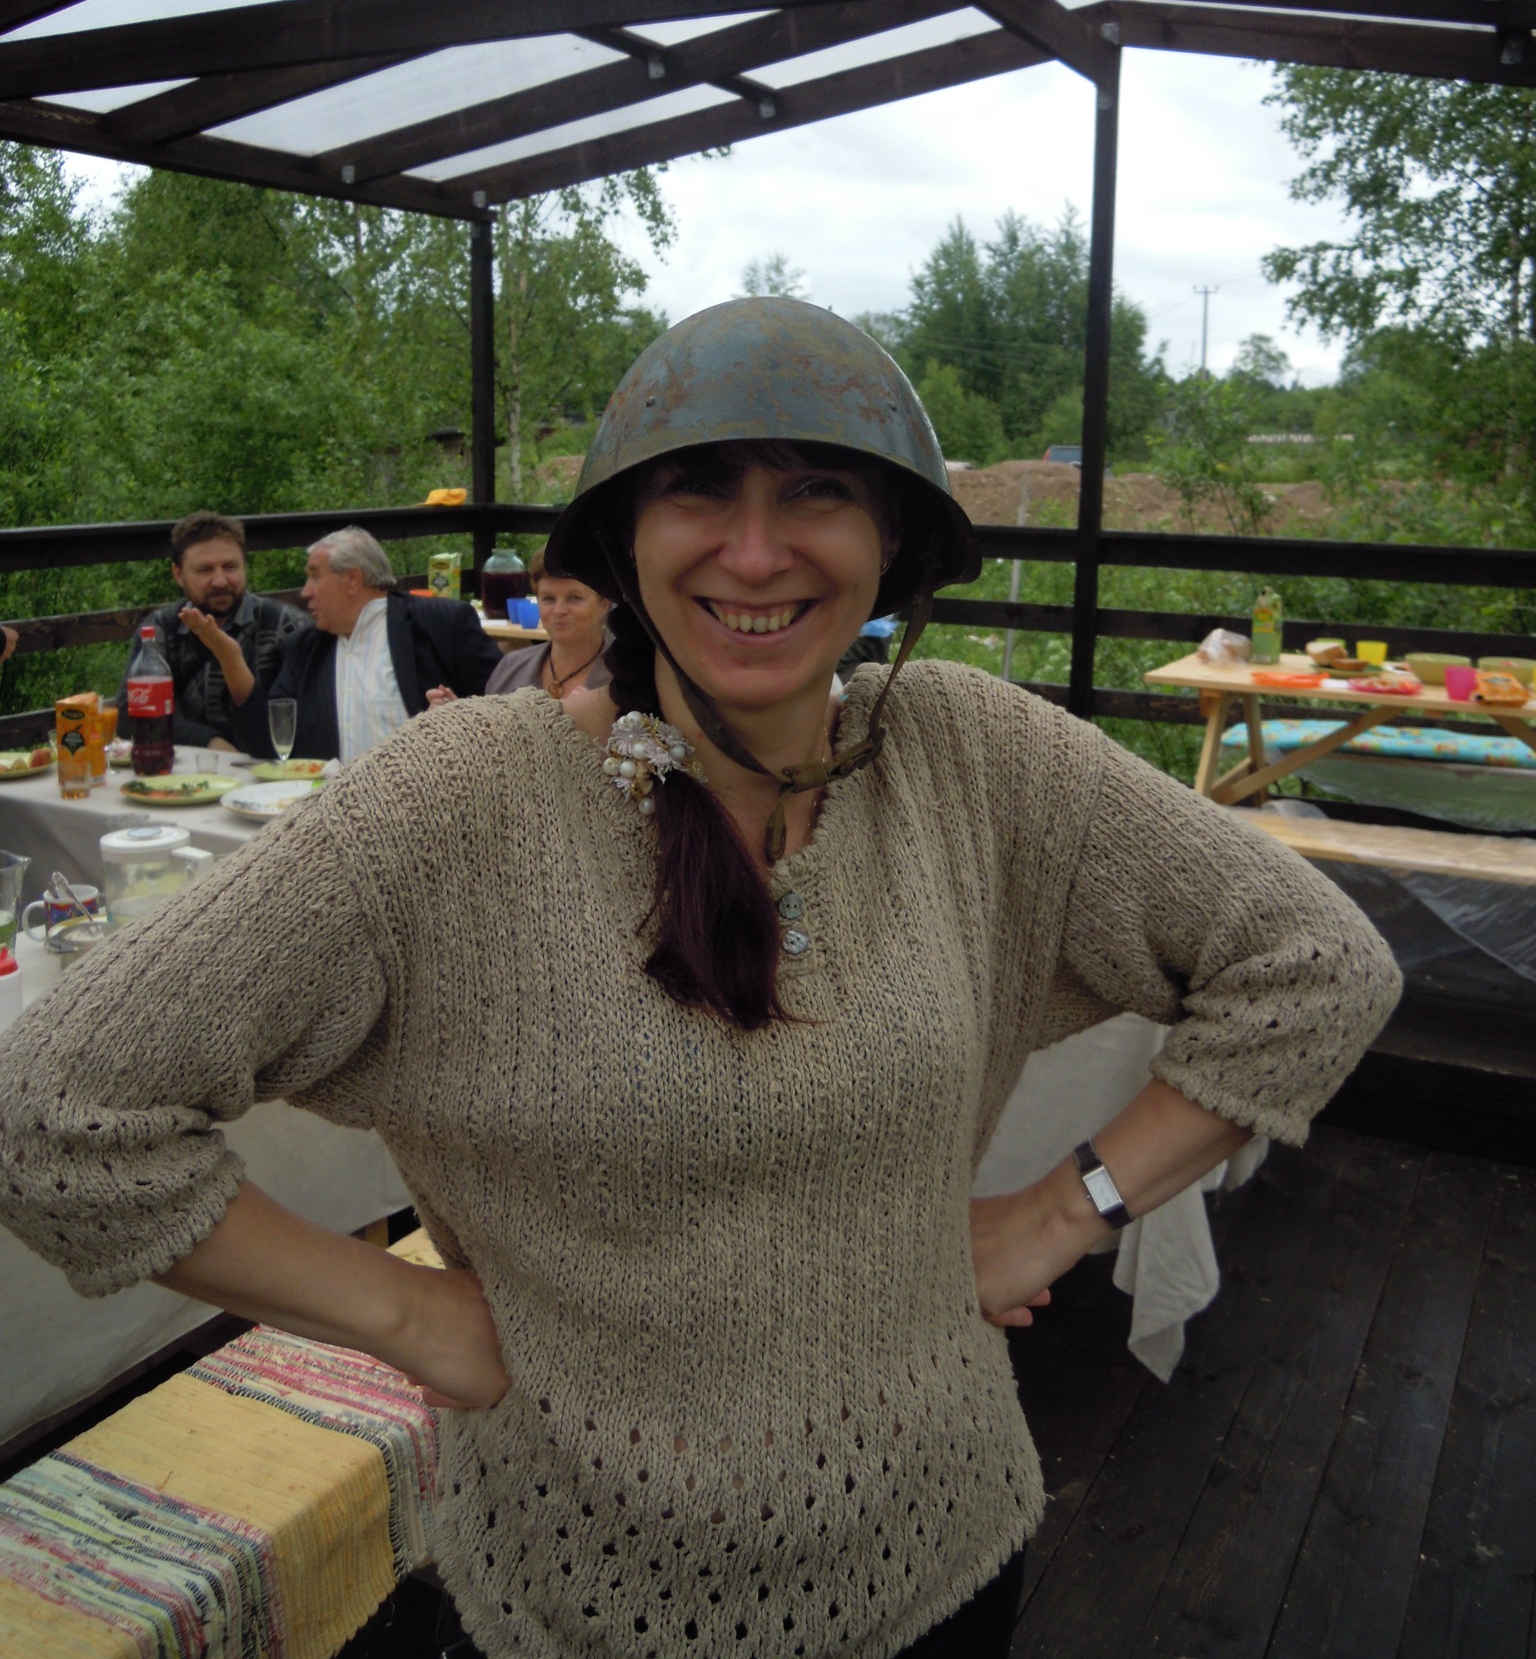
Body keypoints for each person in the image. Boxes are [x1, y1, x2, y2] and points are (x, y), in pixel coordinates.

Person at [0, 299, 1400, 1659]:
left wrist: (1057, 1212)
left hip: (942, 1557)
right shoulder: (456, 804)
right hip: (573, 1597)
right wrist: (409, 1314)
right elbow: (58, 1113)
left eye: (817, 491)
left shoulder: (974, 758)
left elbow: (1314, 965)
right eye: (698, 491)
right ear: (622, 539)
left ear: (894, 541)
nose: (756, 549)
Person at [189, 526, 502, 763]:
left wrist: (458, 716)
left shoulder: (441, 624)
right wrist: (230, 659)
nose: (305, 592)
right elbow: (270, 744)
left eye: (315, 576)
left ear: (353, 580)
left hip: (430, 808)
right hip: (331, 813)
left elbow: (506, 710)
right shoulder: (306, 648)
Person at [115, 511, 309, 752]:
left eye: (230, 567)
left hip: (271, 768)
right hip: (190, 768)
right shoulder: (160, 629)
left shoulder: (287, 626)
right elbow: (130, 716)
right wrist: (208, 740)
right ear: (178, 574)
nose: (220, 581)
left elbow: (302, 727)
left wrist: (229, 658)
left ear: (245, 566)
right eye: (205, 570)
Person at [481, 547, 613, 701]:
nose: (559, 610)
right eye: (548, 598)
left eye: (574, 598)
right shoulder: (511, 668)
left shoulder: (623, 677)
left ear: (604, 605)